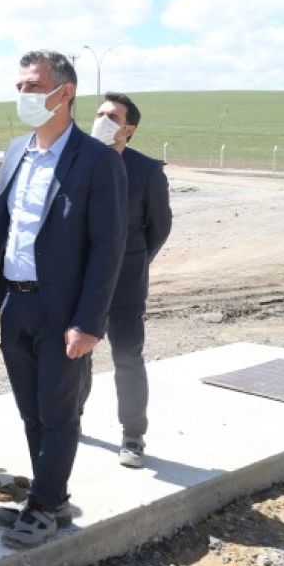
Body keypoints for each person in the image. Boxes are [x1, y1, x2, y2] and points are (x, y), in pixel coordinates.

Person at [0, 50, 126, 548]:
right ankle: (49, 496)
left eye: (35, 87)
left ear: (66, 92)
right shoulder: (17, 150)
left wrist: (89, 322)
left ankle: (43, 506)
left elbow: (107, 248)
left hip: (63, 311)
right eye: (20, 87)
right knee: (31, 410)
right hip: (15, 303)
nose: (25, 95)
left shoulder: (96, 160)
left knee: (59, 413)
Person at [89, 92, 172, 468]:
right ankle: (69, 419)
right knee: (74, 352)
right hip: (82, 277)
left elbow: (159, 227)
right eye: (99, 113)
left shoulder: (146, 170)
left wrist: (134, 259)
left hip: (126, 279)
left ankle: (133, 435)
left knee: (126, 355)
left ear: (129, 128)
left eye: (112, 116)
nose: (102, 121)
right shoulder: (81, 162)